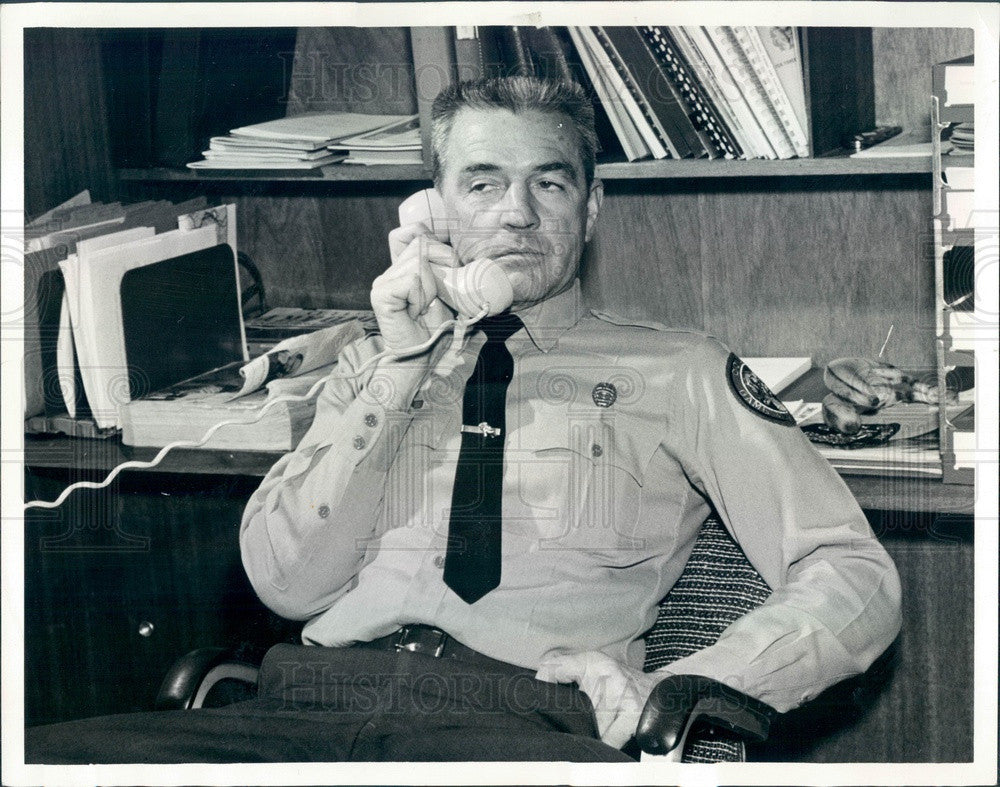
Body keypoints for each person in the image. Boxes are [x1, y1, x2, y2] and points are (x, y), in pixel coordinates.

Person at [26, 75, 901, 764]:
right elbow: (286, 587)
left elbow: (854, 572)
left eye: (548, 183)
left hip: (520, 725)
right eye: (483, 183)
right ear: (437, 211)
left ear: (589, 210)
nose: (516, 212)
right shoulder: (371, 368)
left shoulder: (682, 370)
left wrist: (684, 685)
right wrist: (402, 364)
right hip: (295, 709)